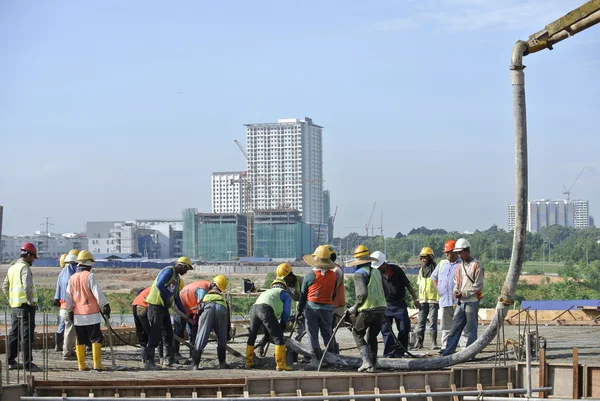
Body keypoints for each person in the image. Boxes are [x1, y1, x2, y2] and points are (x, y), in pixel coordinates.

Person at [143, 256, 192, 369]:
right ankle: (149, 361)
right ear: (181, 265)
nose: (186, 271)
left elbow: (177, 298)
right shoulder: (169, 270)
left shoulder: (177, 279)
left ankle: (169, 360)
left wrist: (184, 313)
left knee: (168, 333)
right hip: (156, 305)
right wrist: (166, 298)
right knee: (155, 334)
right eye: (186, 269)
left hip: (164, 307)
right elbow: (160, 285)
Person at [65, 250, 111, 371]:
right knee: (96, 338)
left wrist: (69, 310)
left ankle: (81, 365)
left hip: (78, 314)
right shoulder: (90, 276)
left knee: (80, 339)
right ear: (89, 263)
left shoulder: (72, 278)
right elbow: (97, 293)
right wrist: (105, 305)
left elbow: (68, 297)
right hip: (92, 313)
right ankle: (97, 365)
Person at [347, 245, 388, 373]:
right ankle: (373, 363)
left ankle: (366, 362)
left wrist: (355, 307)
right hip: (380, 309)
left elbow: (362, 294)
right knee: (372, 336)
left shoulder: (359, 274)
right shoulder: (377, 272)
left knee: (357, 333)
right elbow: (387, 290)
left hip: (367, 309)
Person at [371, 251, 420, 358]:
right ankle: (389, 353)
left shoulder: (396, 270)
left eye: (379, 267)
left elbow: (408, 284)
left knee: (404, 328)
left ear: (384, 264)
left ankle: (400, 351)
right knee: (386, 330)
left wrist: (415, 298)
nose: (378, 269)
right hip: (384, 305)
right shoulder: (375, 273)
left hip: (399, 304)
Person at [297, 245, 340, 364]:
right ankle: (332, 358)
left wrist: (299, 311)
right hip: (327, 309)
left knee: (312, 335)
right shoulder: (334, 275)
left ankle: (316, 359)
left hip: (312, 309)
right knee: (328, 334)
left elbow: (303, 295)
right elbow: (334, 293)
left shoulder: (310, 275)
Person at [443, 238, 485, 356]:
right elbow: (457, 282)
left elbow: (478, 285)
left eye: (460, 252)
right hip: (461, 302)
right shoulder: (460, 266)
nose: (459, 255)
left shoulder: (476, 265)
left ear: (467, 251)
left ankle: (470, 353)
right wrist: (456, 291)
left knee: (471, 329)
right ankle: (448, 351)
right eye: (458, 253)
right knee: (455, 327)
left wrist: (464, 293)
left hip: (472, 301)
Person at [2, 242, 41, 372]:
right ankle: (27, 364)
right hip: (25, 307)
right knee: (26, 335)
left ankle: (11, 361)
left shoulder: (12, 268)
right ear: (28, 255)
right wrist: (30, 301)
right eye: (32, 258)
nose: (33, 261)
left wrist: (11, 300)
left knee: (14, 333)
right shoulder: (24, 268)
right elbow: (27, 286)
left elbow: (4, 287)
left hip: (15, 307)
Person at [245, 278, 293, 371]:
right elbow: (286, 312)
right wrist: (283, 324)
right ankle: (281, 364)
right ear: (284, 287)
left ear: (273, 285)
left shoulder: (267, 292)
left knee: (252, 335)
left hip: (254, 309)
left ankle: (248, 362)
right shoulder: (284, 294)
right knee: (278, 337)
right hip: (266, 309)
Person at [431, 240, 468, 353]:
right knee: (446, 326)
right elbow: (433, 277)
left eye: (448, 252)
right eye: (446, 252)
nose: (446, 254)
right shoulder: (442, 264)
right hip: (444, 301)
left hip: (457, 301)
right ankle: (445, 347)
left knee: (461, 325)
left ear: (454, 252)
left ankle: (464, 348)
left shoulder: (462, 264)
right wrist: (439, 290)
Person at [190, 275, 230, 370]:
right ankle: (222, 364)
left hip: (207, 307)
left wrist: (195, 327)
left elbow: (197, 313)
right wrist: (227, 333)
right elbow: (228, 319)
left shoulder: (205, 297)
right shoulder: (223, 300)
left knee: (201, 336)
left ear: (213, 284)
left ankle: (195, 365)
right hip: (222, 308)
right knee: (222, 338)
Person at [173, 275, 211, 360]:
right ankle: (175, 353)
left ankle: (192, 354)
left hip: (189, 309)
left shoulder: (204, 286)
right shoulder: (203, 289)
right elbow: (201, 303)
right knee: (179, 330)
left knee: (193, 332)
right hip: (181, 306)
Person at [53, 249, 79, 360]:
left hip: (62, 306)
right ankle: (67, 352)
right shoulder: (72, 276)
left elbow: (57, 294)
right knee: (70, 330)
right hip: (69, 307)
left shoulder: (61, 274)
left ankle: (66, 348)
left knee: (65, 327)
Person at [414, 247, 440, 349]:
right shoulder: (421, 270)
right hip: (422, 300)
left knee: (433, 322)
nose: (423, 260)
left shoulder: (436, 269)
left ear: (430, 258)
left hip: (433, 300)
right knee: (421, 322)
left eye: (425, 257)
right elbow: (419, 285)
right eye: (421, 258)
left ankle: (434, 343)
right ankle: (419, 342)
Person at [326, 244, 346, 354]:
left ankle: (332, 352)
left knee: (329, 330)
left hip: (335, 305)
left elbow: (333, 290)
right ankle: (332, 350)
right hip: (331, 304)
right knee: (328, 330)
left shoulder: (336, 270)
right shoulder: (331, 269)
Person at [54, 253, 67, 352]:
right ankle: (61, 346)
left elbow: (57, 289)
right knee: (65, 324)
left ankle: (58, 345)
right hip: (67, 303)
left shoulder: (61, 273)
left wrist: (57, 299)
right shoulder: (67, 273)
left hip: (62, 303)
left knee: (62, 323)